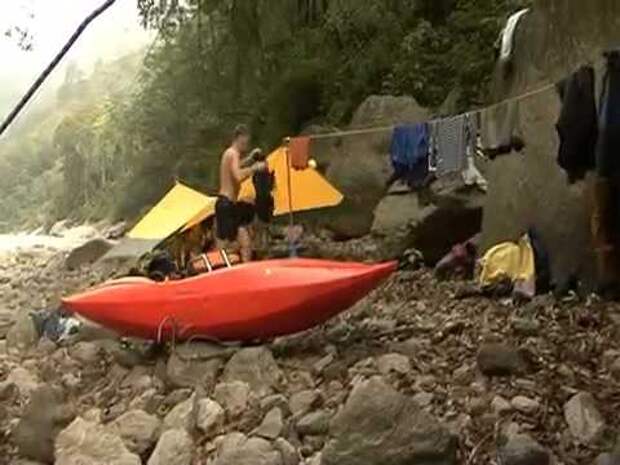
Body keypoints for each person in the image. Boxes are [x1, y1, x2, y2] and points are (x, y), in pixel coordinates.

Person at [215, 124, 266, 262]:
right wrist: (255, 168)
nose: (246, 145)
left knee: (243, 243)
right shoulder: (233, 153)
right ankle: (220, 271)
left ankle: (240, 269)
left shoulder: (230, 154)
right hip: (226, 204)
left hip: (227, 204)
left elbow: (235, 168)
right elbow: (237, 176)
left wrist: (250, 158)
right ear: (239, 138)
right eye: (245, 142)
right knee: (228, 245)